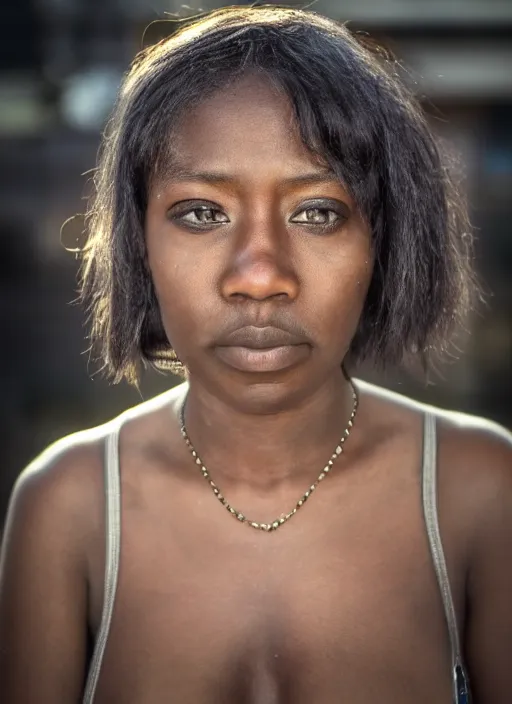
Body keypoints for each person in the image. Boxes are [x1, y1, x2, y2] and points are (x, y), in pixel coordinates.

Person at [0, 4, 511, 703]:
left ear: (384, 240)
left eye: (318, 212)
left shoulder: (479, 492)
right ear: (139, 241)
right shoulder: (69, 507)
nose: (261, 275)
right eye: (202, 212)